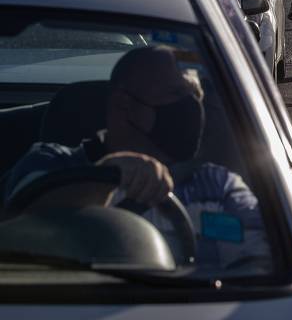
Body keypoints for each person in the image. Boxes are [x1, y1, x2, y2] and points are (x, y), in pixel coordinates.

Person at [4, 46, 265, 267]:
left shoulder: (218, 186)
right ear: (123, 105)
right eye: (175, 94)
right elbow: (22, 228)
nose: (191, 109)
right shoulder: (50, 162)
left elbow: (264, 262)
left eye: (195, 97)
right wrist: (105, 178)